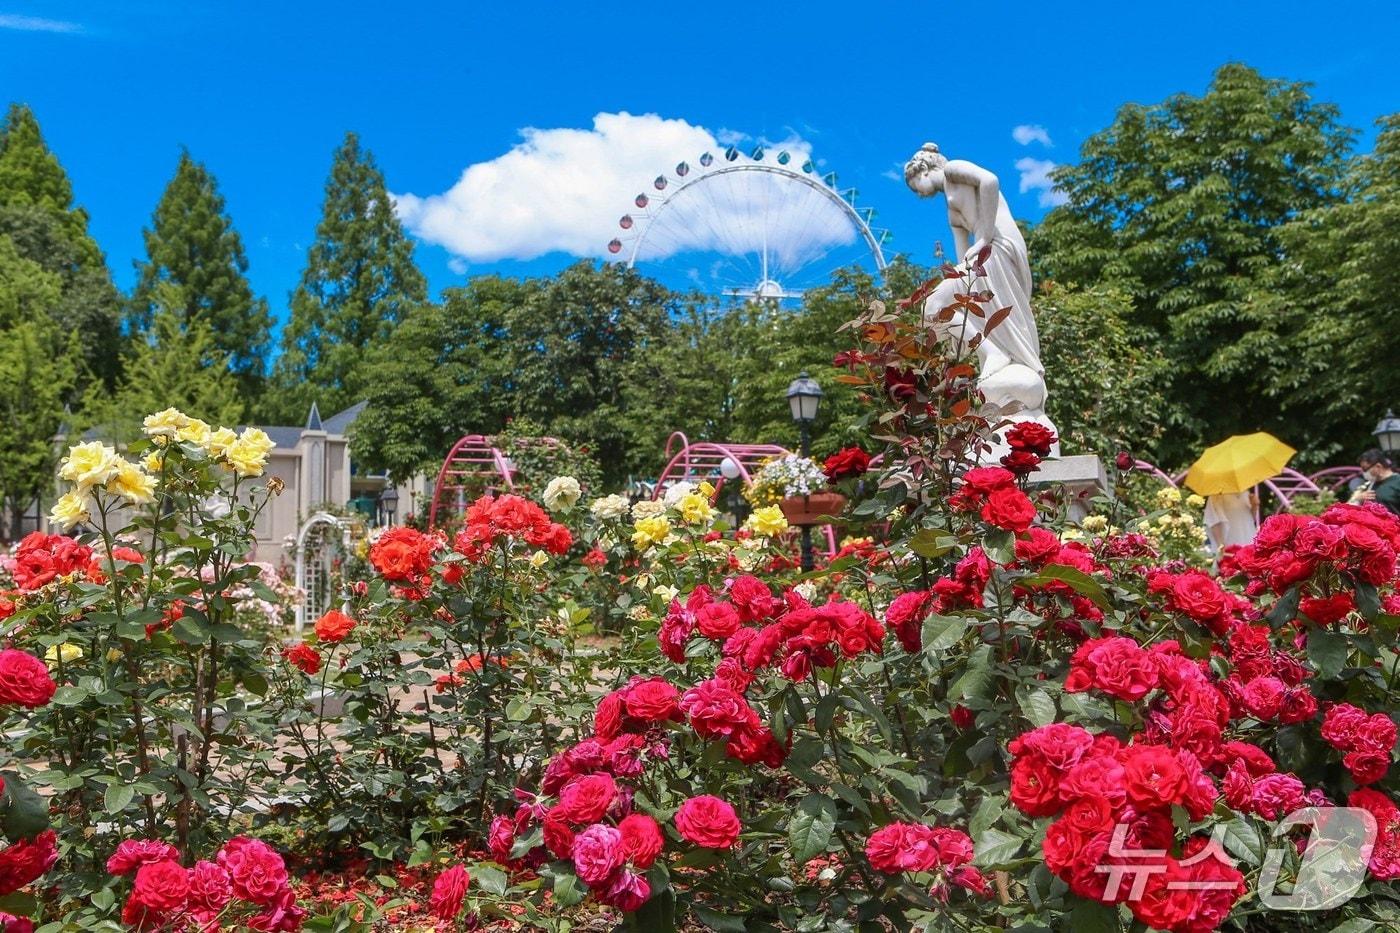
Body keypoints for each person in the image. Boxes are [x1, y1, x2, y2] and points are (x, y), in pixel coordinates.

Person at [1351, 449, 1400, 516]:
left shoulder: (1397, 482)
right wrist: (1359, 498)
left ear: (1378, 466)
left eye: (1365, 469)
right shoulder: (1369, 484)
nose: (1364, 473)